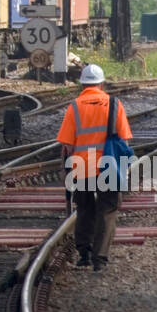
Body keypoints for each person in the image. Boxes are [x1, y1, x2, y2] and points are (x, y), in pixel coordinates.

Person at [57, 63, 132, 272]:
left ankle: (84, 254)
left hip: (81, 166)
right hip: (108, 166)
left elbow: (67, 146)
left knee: (85, 209)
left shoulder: (74, 107)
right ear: (101, 83)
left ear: (82, 84)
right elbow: (124, 142)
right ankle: (100, 258)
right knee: (107, 210)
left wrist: (66, 171)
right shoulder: (114, 104)